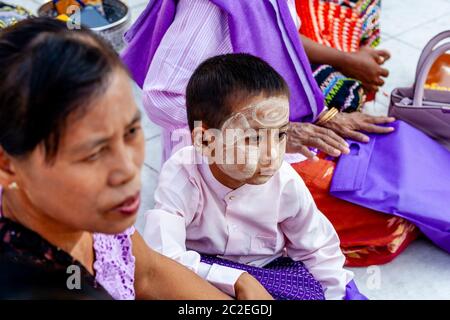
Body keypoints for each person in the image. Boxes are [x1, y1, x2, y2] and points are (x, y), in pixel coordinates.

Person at [0, 18, 232, 300]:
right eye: (94, 153)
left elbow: (148, 273)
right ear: (7, 163)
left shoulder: (88, 214)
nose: (127, 170)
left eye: (131, 132)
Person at [143, 53, 366, 300]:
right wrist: (235, 280)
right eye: (255, 138)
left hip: (272, 275)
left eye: (281, 135)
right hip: (203, 280)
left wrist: (332, 295)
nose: (272, 154)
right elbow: (162, 257)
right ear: (206, 140)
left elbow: (318, 250)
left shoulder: (285, 183)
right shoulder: (183, 174)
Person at [121, 0, 395, 164]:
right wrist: (266, 133)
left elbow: (278, 43)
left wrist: (321, 115)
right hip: (218, 174)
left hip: (259, 150)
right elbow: (162, 97)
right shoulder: (208, 7)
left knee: (376, 161)